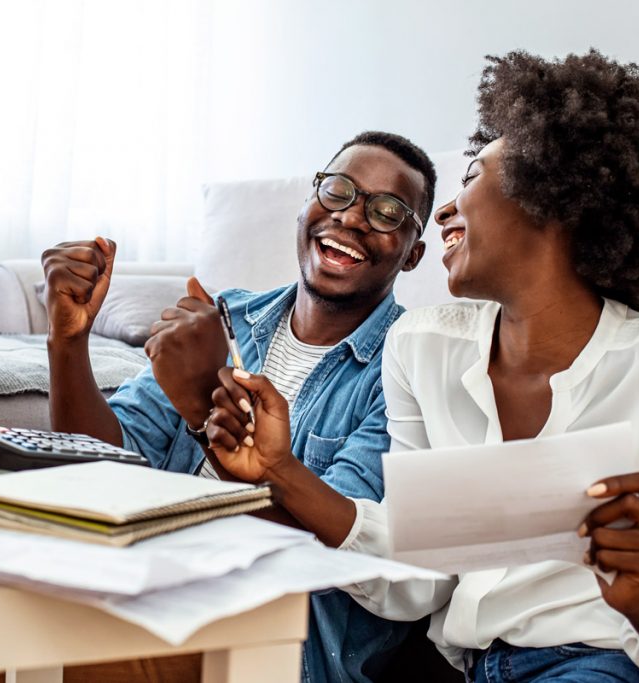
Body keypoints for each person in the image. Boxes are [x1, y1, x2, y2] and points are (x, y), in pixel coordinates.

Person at [203, 50, 639, 682]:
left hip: (606, 662)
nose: (443, 211)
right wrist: (279, 470)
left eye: (470, 176)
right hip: (463, 666)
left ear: (552, 197)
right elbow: (417, 577)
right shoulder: (422, 346)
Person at [40, 131, 437, 682]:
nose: (351, 217)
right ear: (307, 204)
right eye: (339, 190)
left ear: (413, 255)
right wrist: (67, 341)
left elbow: (341, 543)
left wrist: (203, 409)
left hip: (272, 645)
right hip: (144, 585)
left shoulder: (409, 364)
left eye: (388, 211)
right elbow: (100, 461)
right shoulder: (229, 317)